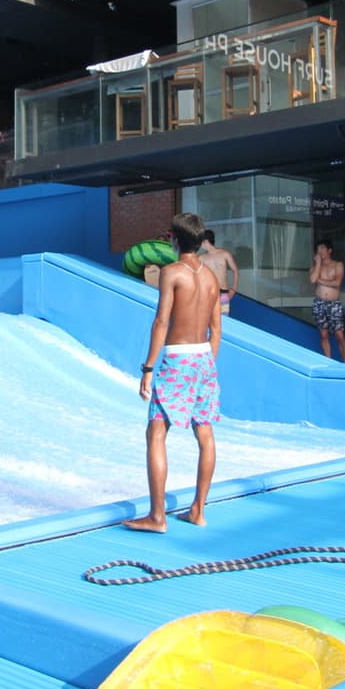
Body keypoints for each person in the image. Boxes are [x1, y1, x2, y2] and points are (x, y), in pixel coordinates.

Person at [125, 211, 220, 533]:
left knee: (156, 433)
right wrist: (207, 365)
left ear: (175, 240)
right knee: (205, 434)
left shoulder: (172, 273)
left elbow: (161, 322)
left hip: (178, 359)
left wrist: (148, 368)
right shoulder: (211, 278)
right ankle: (198, 511)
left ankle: (157, 516)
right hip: (204, 359)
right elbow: (217, 329)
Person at [309, 238, 345, 361]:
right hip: (319, 303)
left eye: (322, 248)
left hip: (333, 303)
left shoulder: (337, 265)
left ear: (329, 250)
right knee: (323, 334)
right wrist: (318, 263)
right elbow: (312, 279)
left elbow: (337, 283)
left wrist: (320, 280)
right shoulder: (315, 267)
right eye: (318, 249)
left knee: (339, 334)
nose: (319, 251)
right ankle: (329, 361)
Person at [198, 229, 238, 320]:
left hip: (223, 293)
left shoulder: (224, 254)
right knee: (208, 319)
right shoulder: (201, 258)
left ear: (205, 241)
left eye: (200, 242)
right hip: (208, 294)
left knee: (224, 320)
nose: (200, 245)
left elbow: (235, 270)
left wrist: (233, 289)